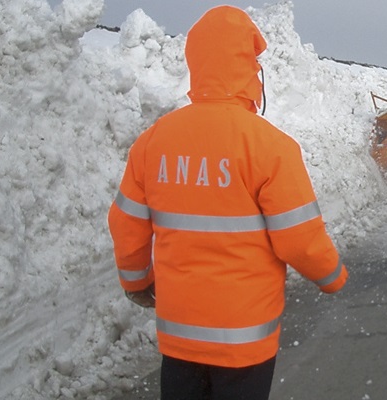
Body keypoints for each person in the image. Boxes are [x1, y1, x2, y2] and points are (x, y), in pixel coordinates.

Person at [107, 5, 348, 400]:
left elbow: (125, 222)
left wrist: (136, 283)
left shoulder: (154, 141)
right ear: (250, 69)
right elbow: (299, 239)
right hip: (243, 341)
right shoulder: (271, 148)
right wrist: (332, 276)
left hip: (179, 336)